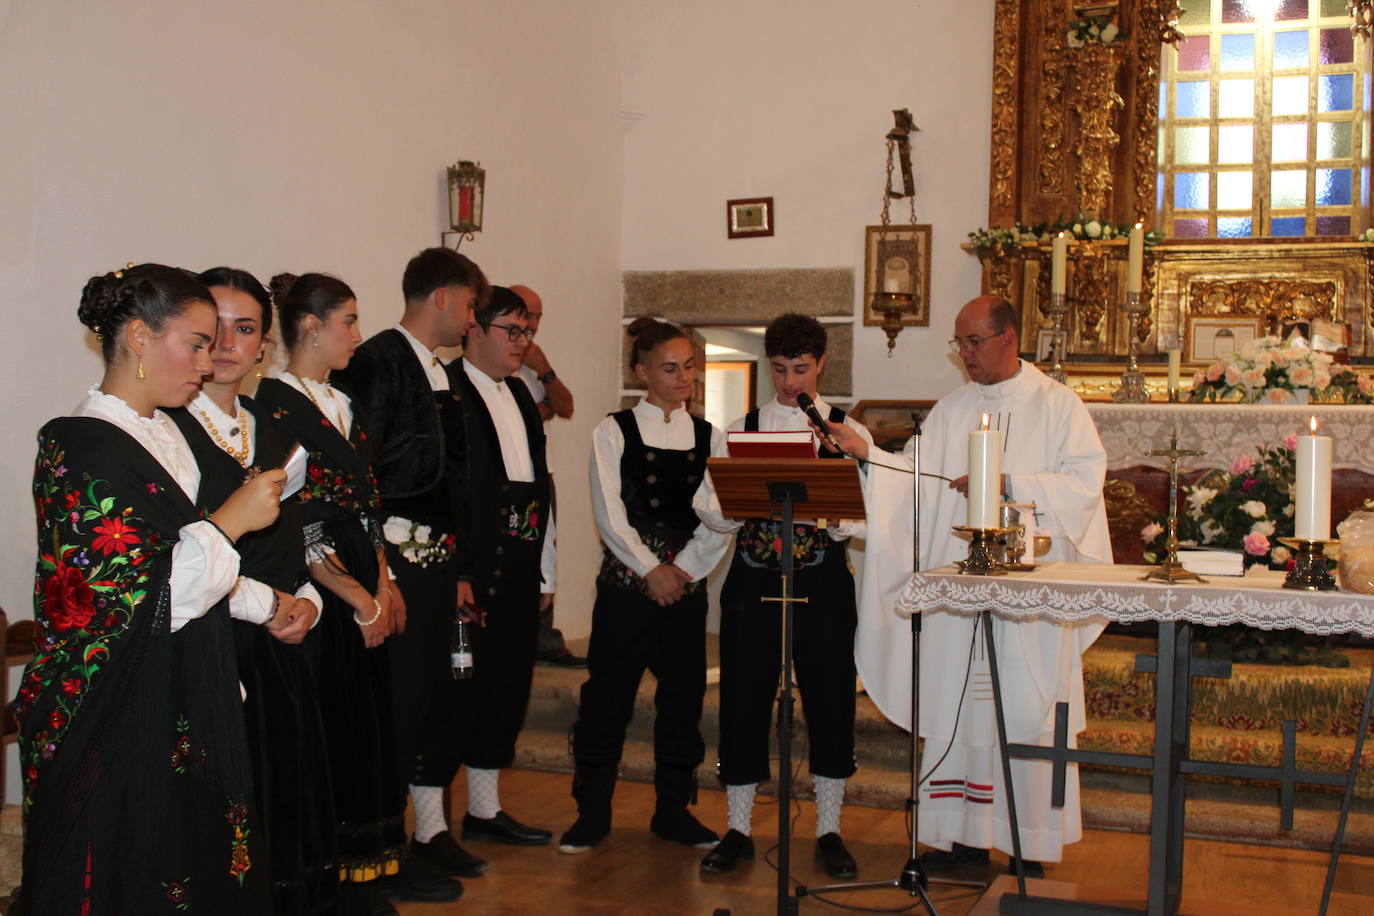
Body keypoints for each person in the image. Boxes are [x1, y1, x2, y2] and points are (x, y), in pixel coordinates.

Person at [18, 264, 282, 913]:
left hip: (178, 693)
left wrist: (267, 602)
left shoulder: (166, 434)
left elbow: (181, 565)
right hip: (114, 710)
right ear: (138, 336)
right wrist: (230, 521)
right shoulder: (81, 446)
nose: (210, 357)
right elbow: (132, 599)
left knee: (189, 867)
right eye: (195, 341)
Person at [836, 295, 1112, 877]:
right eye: (959, 344)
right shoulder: (952, 408)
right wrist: (869, 457)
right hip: (963, 597)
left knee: (1024, 707)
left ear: (1008, 339)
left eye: (973, 342)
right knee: (957, 706)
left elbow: (1085, 485)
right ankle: (958, 838)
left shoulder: (1058, 406)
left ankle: (1025, 843)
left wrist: (1010, 483)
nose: (964, 355)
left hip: (1030, 601)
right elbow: (917, 481)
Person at [255, 273, 444, 913]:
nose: (358, 337)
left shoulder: (343, 403)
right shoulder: (274, 406)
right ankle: (331, 878)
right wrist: (356, 597)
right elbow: (297, 516)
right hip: (321, 584)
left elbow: (369, 506)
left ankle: (371, 866)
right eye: (349, 321)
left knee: (371, 722)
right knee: (333, 728)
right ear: (310, 325)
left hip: (364, 571)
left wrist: (386, 582)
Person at [162, 266, 339, 914]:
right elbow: (173, 557)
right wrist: (263, 603)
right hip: (212, 642)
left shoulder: (276, 426)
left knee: (285, 797)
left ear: (265, 343)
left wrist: (311, 603)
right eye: (215, 330)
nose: (229, 344)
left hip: (283, 649)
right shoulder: (171, 431)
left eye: (246, 328)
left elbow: (300, 538)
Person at [331, 247, 492, 886]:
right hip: (391, 560)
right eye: (473, 305)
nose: (474, 321)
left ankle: (407, 841)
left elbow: (447, 477)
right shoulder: (377, 362)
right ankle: (377, 852)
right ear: (443, 297)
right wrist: (381, 571)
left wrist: (453, 564)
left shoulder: (441, 370)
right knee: (391, 710)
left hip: (431, 563)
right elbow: (355, 474)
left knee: (422, 706)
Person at [699, 313, 874, 880]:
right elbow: (709, 505)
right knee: (744, 701)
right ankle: (739, 829)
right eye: (779, 369)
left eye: (801, 369)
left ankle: (829, 830)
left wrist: (839, 512)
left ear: (822, 363)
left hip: (822, 583)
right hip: (753, 582)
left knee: (829, 702)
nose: (790, 381)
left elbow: (871, 519)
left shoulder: (848, 431)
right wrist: (731, 503)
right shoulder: (741, 425)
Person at [558, 318, 729, 854]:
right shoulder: (612, 431)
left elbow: (722, 515)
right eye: (671, 368)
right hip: (627, 589)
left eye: (690, 367)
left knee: (682, 700)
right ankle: (592, 812)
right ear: (642, 371)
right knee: (608, 697)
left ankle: (674, 812)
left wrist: (685, 570)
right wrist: (649, 569)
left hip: (684, 586)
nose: (685, 378)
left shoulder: (711, 436)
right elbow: (610, 512)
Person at [448, 286, 556, 848]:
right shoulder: (446, 390)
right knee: (456, 692)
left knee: (507, 687)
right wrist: (458, 569)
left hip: (519, 563)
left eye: (526, 332)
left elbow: (539, 485)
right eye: (511, 331)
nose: (522, 343)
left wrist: (546, 569)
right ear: (474, 328)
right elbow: (446, 491)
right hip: (470, 568)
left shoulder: (517, 393)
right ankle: (432, 824)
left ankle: (485, 812)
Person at [510, 283, 585, 669]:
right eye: (526, 313)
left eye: (538, 316)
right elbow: (515, 416)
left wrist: (544, 369)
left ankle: (544, 641)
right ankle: (515, 640)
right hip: (504, 476)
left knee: (544, 553)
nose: (533, 323)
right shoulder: (494, 356)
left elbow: (566, 406)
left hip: (542, 470)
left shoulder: (535, 360)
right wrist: (540, 409)